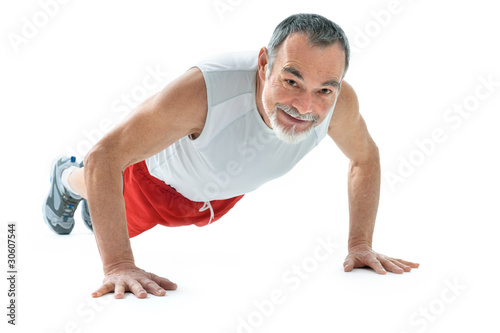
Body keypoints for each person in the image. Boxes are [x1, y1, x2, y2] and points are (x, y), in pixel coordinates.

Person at [43, 13, 419, 299]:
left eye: (324, 89)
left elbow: (365, 158)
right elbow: (104, 158)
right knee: (97, 202)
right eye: (291, 82)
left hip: (221, 193)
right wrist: (118, 265)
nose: (306, 106)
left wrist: (359, 244)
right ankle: (66, 180)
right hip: (150, 184)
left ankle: (87, 194)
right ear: (263, 64)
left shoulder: (340, 103)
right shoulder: (204, 90)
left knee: (104, 213)